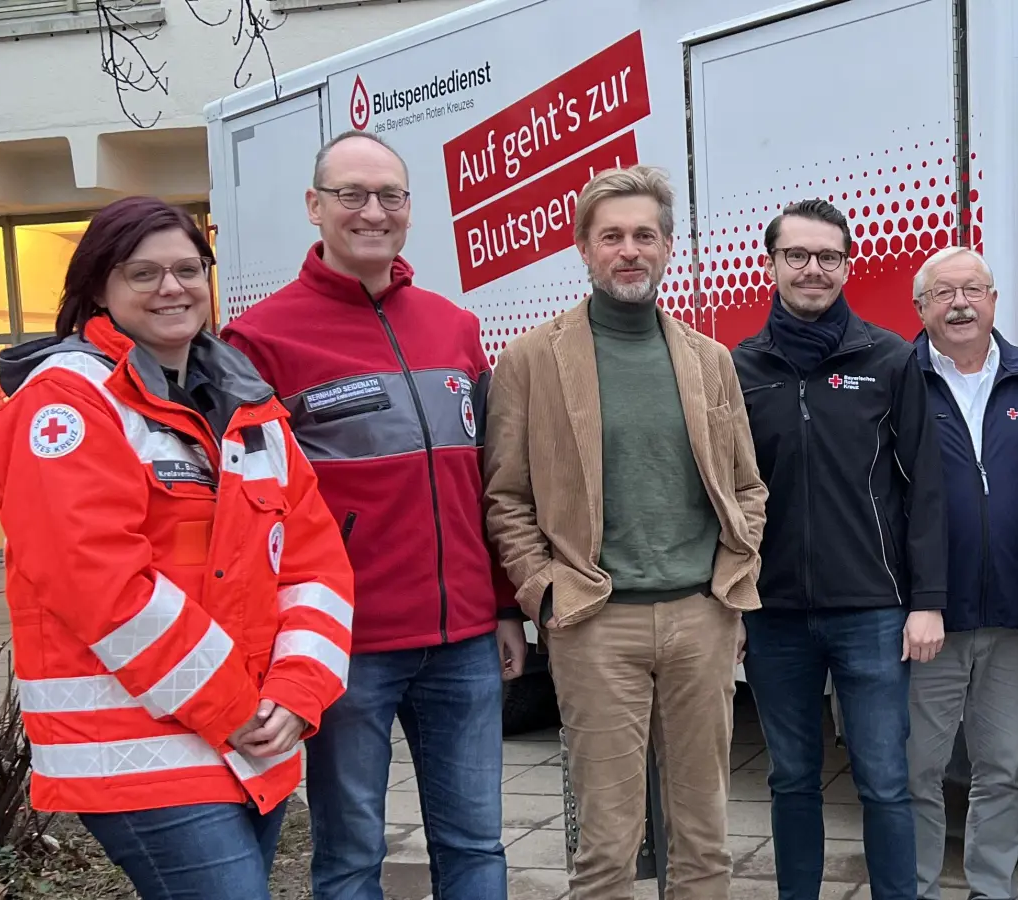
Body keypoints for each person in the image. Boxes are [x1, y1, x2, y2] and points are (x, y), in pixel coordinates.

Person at [0, 196, 354, 900]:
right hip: (137, 749)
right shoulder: (66, 402)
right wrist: (237, 708)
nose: (173, 288)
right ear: (99, 287)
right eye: (144, 273)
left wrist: (296, 692)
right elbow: (102, 585)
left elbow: (313, 565)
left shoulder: (248, 404)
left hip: (250, 740)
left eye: (188, 269)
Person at [219, 130, 523, 900]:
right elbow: (247, 516)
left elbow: (488, 483)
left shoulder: (454, 327)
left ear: (410, 212)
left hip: (462, 644)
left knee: (477, 847)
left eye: (389, 195)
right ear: (315, 207)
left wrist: (506, 607)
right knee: (352, 856)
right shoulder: (258, 342)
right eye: (351, 194)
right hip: (344, 648)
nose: (372, 211)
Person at [483, 164, 767, 900]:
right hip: (592, 622)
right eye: (612, 236)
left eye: (645, 234)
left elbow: (745, 486)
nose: (629, 250)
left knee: (705, 838)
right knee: (607, 845)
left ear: (670, 246)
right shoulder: (530, 362)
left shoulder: (710, 361)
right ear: (584, 249)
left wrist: (731, 582)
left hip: (699, 619)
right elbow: (506, 496)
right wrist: (543, 592)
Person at [732, 197, 948, 900]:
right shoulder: (739, 369)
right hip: (773, 614)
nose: (813, 269)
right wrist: (729, 603)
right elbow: (722, 498)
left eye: (828, 256)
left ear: (848, 266)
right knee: (791, 776)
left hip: (873, 613)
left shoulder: (889, 359)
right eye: (797, 255)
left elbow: (926, 490)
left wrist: (927, 604)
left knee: (885, 779)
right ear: (771, 264)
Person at [906, 246, 1018, 899]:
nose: (960, 302)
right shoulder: (898, 380)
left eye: (973, 289)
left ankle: (990, 888)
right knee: (916, 767)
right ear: (920, 308)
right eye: (942, 292)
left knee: (1005, 765)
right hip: (929, 622)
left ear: (995, 300)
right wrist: (917, 598)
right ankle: (913, 886)